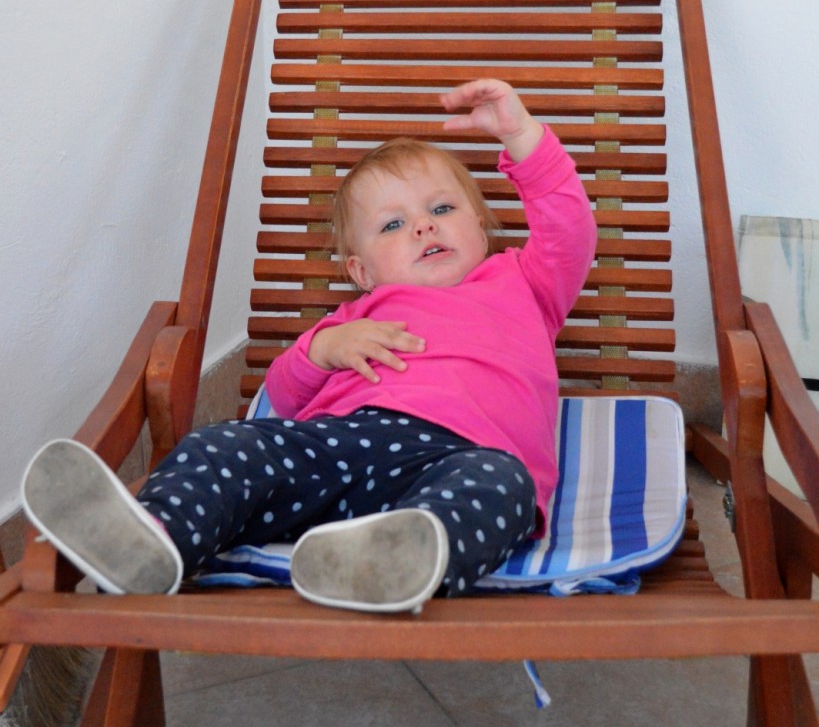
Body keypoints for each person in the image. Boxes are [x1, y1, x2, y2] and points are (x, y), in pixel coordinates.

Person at [21, 79, 596, 614]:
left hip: (465, 456)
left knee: (502, 488)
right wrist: (322, 349)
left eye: (441, 209)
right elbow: (285, 399)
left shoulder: (523, 282)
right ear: (362, 272)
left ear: (481, 226)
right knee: (226, 445)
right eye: (392, 225)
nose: (424, 226)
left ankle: (386, 564)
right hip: (342, 446)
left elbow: (569, 230)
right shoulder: (355, 316)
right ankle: (153, 541)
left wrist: (522, 136)